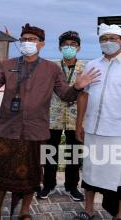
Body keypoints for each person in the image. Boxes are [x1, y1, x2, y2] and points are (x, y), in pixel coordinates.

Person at [0, 23, 100, 220]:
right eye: (24, 39)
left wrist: (78, 87)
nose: (27, 43)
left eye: (32, 40)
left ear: (41, 44)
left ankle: (24, 211)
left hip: (36, 130)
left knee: (32, 174)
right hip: (8, 129)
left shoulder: (51, 69)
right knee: (0, 173)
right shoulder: (7, 65)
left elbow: (65, 95)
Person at [74, 24, 121, 220]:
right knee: (90, 171)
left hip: (118, 131)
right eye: (104, 38)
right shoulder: (92, 65)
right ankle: (88, 210)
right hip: (92, 129)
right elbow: (83, 96)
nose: (108, 42)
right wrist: (78, 124)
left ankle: (119, 214)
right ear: (99, 42)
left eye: (113, 38)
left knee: (119, 174)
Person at [38, 31, 85, 201]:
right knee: (50, 151)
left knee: (74, 153)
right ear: (59, 48)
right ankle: (48, 185)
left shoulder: (86, 68)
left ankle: (72, 187)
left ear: (79, 48)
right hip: (52, 116)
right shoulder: (50, 67)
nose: (69, 47)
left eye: (73, 44)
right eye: (66, 44)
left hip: (76, 118)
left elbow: (89, 93)